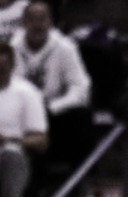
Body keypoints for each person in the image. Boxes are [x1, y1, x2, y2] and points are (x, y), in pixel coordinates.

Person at [11, 2, 90, 163]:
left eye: (42, 19)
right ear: (24, 22)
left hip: (54, 112)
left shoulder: (65, 48)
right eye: (32, 19)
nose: (37, 25)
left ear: (51, 22)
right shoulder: (12, 48)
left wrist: (55, 106)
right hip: (20, 113)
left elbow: (81, 88)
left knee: (80, 116)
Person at [0, 37, 46, 197]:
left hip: (13, 152)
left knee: (10, 158)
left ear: (11, 63)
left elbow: (41, 140)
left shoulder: (27, 92)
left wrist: (10, 140)